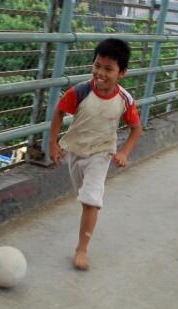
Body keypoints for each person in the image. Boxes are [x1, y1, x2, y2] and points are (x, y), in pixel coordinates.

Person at [48, 38, 142, 271]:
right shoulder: (80, 91)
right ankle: (87, 215)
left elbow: (136, 128)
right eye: (97, 66)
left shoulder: (125, 100)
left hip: (101, 154)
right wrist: (53, 143)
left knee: (91, 202)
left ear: (121, 73)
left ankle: (81, 249)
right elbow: (59, 112)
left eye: (108, 69)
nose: (100, 73)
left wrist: (123, 152)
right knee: (83, 197)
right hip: (75, 152)